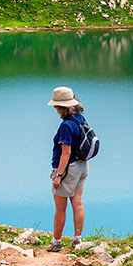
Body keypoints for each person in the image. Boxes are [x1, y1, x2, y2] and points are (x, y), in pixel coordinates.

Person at [47, 86, 89, 252]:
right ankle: (77, 240)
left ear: (62, 107)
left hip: (68, 168)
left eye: (56, 106)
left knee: (60, 208)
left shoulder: (66, 125)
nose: (55, 109)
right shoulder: (80, 119)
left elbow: (66, 152)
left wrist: (58, 176)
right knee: (77, 203)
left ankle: (56, 242)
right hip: (82, 165)